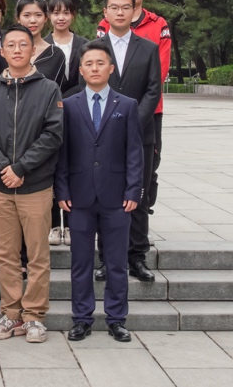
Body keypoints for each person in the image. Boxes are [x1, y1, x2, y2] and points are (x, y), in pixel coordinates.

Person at [0, 24, 64, 344]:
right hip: (0, 186)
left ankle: (34, 315)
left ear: (32, 50)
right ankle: (11, 313)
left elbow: (52, 134)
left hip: (35, 185)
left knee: (38, 255)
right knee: (6, 254)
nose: (16, 50)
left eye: (23, 45)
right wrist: (4, 168)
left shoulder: (49, 89)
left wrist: (22, 167)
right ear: (2, 52)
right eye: (10, 45)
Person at [55, 41, 144, 343]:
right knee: (80, 263)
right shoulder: (68, 105)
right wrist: (62, 189)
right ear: (81, 70)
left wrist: (133, 190)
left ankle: (116, 319)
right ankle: (82, 318)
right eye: (89, 64)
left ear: (111, 68)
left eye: (100, 63)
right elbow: (62, 152)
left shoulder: (127, 105)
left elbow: (135, 152)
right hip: (78, 196)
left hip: (117, 197)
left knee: (117, 263)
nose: (94, 68)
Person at [92, 0, 162, 284]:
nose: (119, 12)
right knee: (106, 198)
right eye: (114, 7)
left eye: (125, 7)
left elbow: (153, 90)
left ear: (134, 11)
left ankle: (137, 257)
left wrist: (131, 123)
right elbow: (90, 87)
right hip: (102, 136)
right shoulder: (94, 49)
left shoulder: (148, 48)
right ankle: (107, 259)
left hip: (139, 136)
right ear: (105, 12)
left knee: (139, 196)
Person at [97, 0, 172, 211]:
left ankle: (142, 210)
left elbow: (157, 76)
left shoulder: (158, 24)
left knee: (147, 168)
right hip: (106, 119)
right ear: (106, 10)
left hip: (147, 113)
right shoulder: (102, 31)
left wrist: (134, 119)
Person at [45, 0, 89, 246]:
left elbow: (85, 82)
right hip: (46, 116)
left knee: (73, 168)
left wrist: (60, 100)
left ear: (73, 15)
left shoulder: (85, 45)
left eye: (66, 12)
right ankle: (53, 223)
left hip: (76, 114)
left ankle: (71, 224)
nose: (60, 17)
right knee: (51, 167)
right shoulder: (41, 45)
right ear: (49, 15)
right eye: (56, 12)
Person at [0, 0, 67, 89]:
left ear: (46, 18)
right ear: (18, 18)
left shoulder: (55, 55)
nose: (33, 20)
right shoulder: (5, 52)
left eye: (38, 15)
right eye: (26, 15)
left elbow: (57, 91)